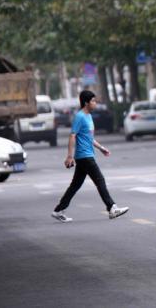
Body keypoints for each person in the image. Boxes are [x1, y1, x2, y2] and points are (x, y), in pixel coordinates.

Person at [51, 91, 129, 222]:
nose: (95, 103)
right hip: (84, 156)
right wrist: (69, 156)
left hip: (86, 155)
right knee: (100, 180)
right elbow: (72, 135)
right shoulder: (80, 116)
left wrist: (101, 148)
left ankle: (58, 210)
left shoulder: (89, 117)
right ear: (86, 103)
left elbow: (90, 138)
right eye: (93, 101)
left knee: (75, 185)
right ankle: (112, 207)